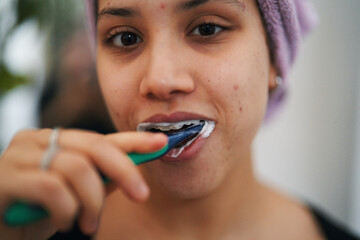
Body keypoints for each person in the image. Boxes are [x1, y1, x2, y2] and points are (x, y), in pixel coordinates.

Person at [0, 0, 358, 239]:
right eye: (126, 37)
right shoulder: (41, 226)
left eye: (207, 29)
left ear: (274, 59)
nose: (160, 79)